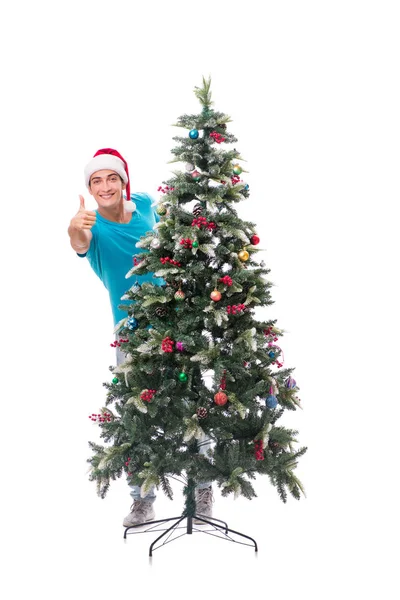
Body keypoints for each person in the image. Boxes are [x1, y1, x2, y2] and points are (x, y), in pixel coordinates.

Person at [68, 148, 214, 527]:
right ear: (89, 188)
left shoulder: (146, 203)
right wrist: (75, 229)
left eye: (111, 178)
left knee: (192, 407)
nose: (104, 186)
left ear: (123, 182)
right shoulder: (91, 227)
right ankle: (142, 500)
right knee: (138, 419)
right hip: (131, 337)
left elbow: (169, 214)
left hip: (178, 324)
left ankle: (203, 488)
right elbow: (78, 243)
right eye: (96, 181)